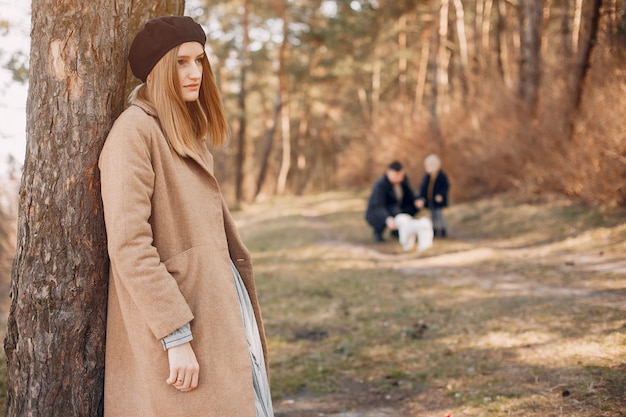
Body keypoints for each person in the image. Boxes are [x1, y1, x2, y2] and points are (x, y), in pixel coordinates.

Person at [99, 16, 274, 417]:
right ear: (159, 70)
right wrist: (175, 336)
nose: (195, 72)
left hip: (219, 313)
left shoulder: (185, 134)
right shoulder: (133, 133)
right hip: (178, 323)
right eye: (181, 62)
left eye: (199, 60)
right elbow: (128, 244)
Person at [365, 161, 421, 242]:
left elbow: (410, 194)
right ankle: (378, 232)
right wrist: (387, 219)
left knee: (409, 208)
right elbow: (378, 206)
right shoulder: (380, 185)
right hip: (378, 210)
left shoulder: (403, 181)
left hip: (396, 208)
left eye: (400, 175)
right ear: (388, 173)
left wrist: (416, 200)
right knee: (387, 214)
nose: (398, 178)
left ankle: (398, 231)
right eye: (395, 175)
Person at [416, 154, 450, 237]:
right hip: (430, 200)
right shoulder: (426, 177)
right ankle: (433, 229)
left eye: (433, 166)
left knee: (439, 215)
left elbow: (445, 186)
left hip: (438, 201)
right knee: (432, 215)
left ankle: (442, 229)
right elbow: (423, 188)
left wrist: (441, 195)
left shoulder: (441, 176)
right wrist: (422, 198)